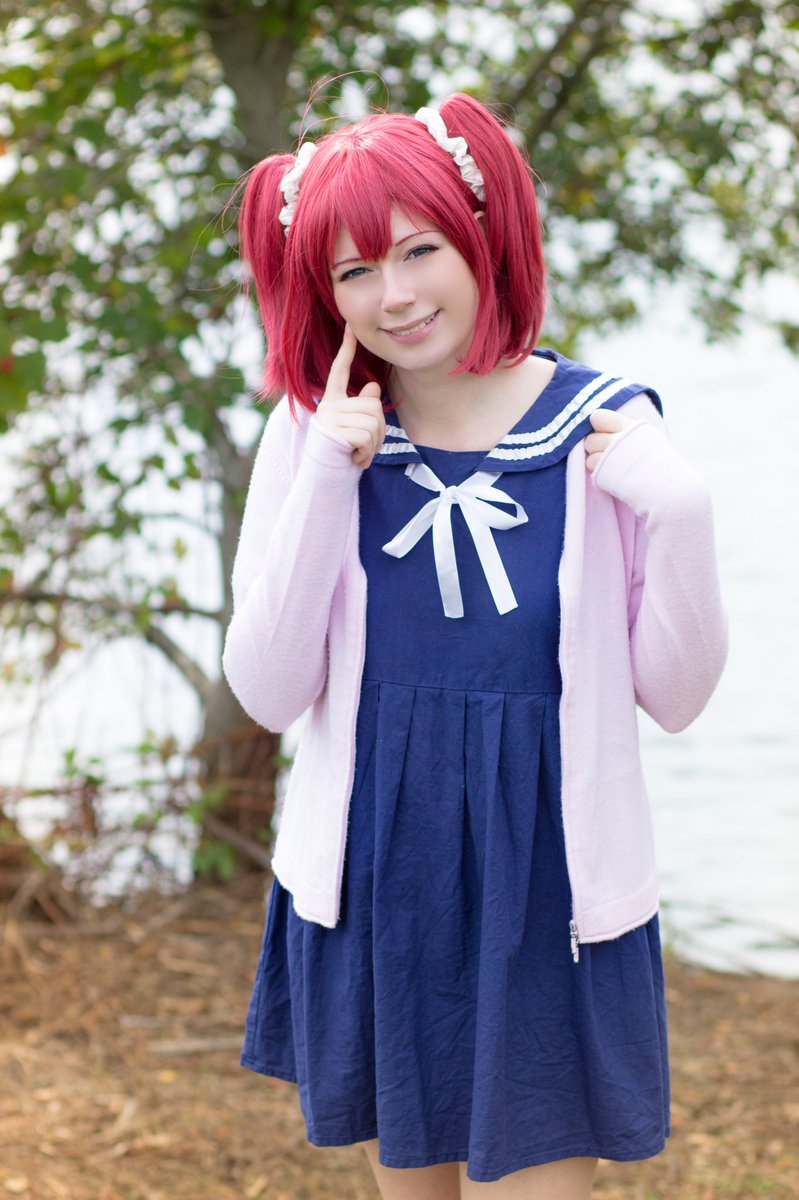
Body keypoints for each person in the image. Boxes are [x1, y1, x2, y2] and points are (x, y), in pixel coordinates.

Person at [222, 92, 728, 1200]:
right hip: (376, 873)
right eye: (355, 271)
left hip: (549, 884)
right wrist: (327, 477)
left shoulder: (600, 427)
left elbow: (676, 696)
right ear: (323, 291)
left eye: (420, 250)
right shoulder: (314, 431)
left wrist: (681, 516)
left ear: (480, 236)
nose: (395, 295)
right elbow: (267, 689)